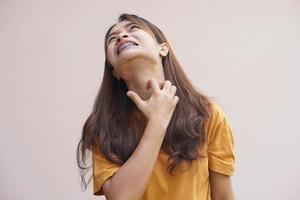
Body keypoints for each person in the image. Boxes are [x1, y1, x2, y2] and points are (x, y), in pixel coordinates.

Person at [77, 13, 235, 200]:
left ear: (163, 49)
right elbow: (121, 197)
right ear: (115, 71)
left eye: (133, 29)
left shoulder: (207, 113)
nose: (121, 37)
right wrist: (157, 121)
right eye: (113, 38)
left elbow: (223, 196)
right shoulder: (103, 127)